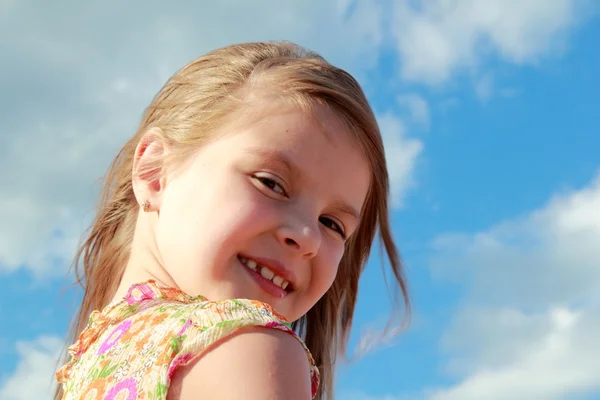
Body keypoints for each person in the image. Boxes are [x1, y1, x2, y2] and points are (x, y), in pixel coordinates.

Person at [55, 41, 409, 400]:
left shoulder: (85, 375)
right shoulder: (248, 348)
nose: (308, 237)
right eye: (270, 183)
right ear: (153, 172)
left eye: (332, 224)